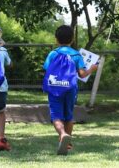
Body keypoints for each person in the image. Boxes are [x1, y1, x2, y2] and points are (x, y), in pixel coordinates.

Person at [43, 25, 98, 155]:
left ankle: (62, 134)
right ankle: (67, 142)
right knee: (69, 115)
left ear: (56, 39)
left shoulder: (53, 54)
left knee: (56, 115)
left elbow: (46, 70)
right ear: (72, 39)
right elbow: (82, 74)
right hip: (70, 88)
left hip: (55, 87)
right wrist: (92, 69)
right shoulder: (76, 55)